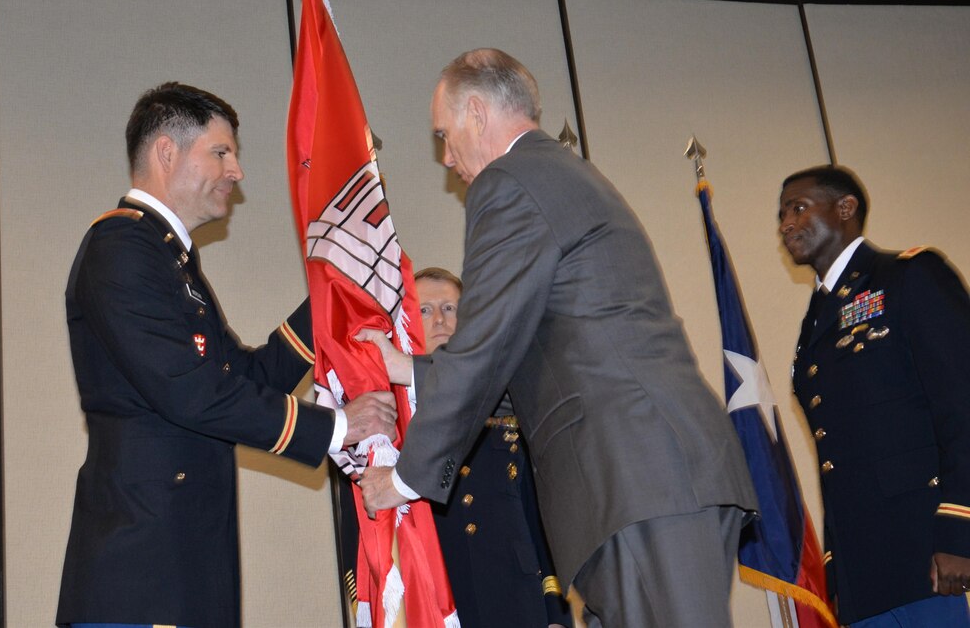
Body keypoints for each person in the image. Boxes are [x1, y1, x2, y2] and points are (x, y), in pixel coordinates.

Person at [358, 48, 758, 628]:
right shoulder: (552, 174)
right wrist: (408, 370)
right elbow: (541, 346)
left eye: (445, 135)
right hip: (640, 479)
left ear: (476, 111)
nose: (447, 158)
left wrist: (404, 479)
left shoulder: (509, 182)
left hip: (636, 479)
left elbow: (486, 345)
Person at [56, 82, 397, 628]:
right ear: (166, 152)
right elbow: (191, 392)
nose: (236, 170)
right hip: (141, 579)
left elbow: (245, 376)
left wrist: (334, 294)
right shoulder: (121, 248)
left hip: (184, 570)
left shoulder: (168, 260)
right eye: (220, 152)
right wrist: (335, 428)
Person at [778, 164, 970, 627]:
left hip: (923, 553)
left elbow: (961, 406)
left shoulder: (908, 276)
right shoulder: (817, 322)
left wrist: (959, 530)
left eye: (798, 208)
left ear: (845, 208)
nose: (786, 224)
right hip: (861, 571)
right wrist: (836, 572)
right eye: (781, 215)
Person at [417, 267, 570, 627]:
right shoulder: (393, 416)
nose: (438, 318)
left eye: (450, 308)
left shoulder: (512, 398)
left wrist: (556, 612)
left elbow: (542, 517)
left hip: (516, 597)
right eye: (424, 309)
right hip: (438, 599)